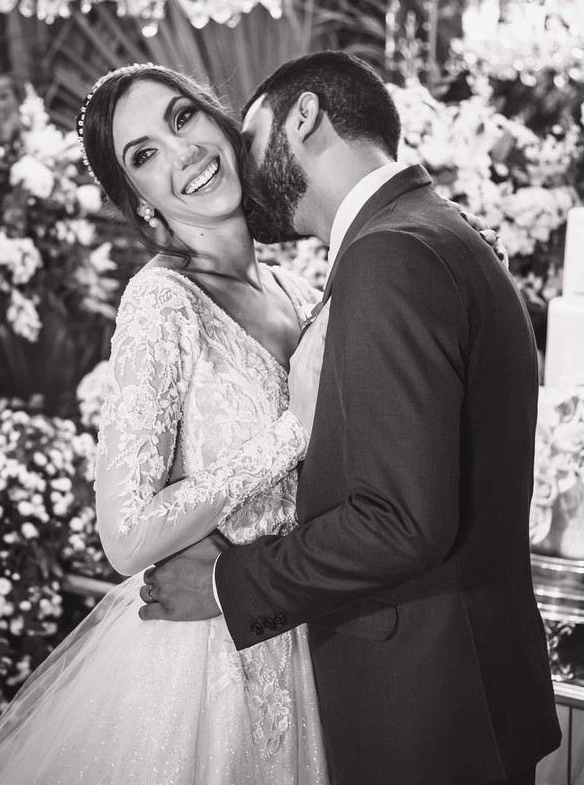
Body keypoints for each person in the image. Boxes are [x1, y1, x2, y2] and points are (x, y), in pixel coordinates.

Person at [142, 51, 562, 785]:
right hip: (466, 686)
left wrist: (227, 585)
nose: (239, 168)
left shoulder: (390, 254)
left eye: (250, 139)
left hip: (420, 706)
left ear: (304, 117)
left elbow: (400, 520)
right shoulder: (437, 231)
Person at [0, 62, 329, 785]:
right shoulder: (163, 302)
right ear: (141, 202)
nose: (182, 153)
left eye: (183, 118)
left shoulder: (302, 292)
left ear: (221, 121)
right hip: (206, 662)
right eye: (145, 154)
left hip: (305, 632)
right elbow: (125, 538)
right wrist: (291, 436)